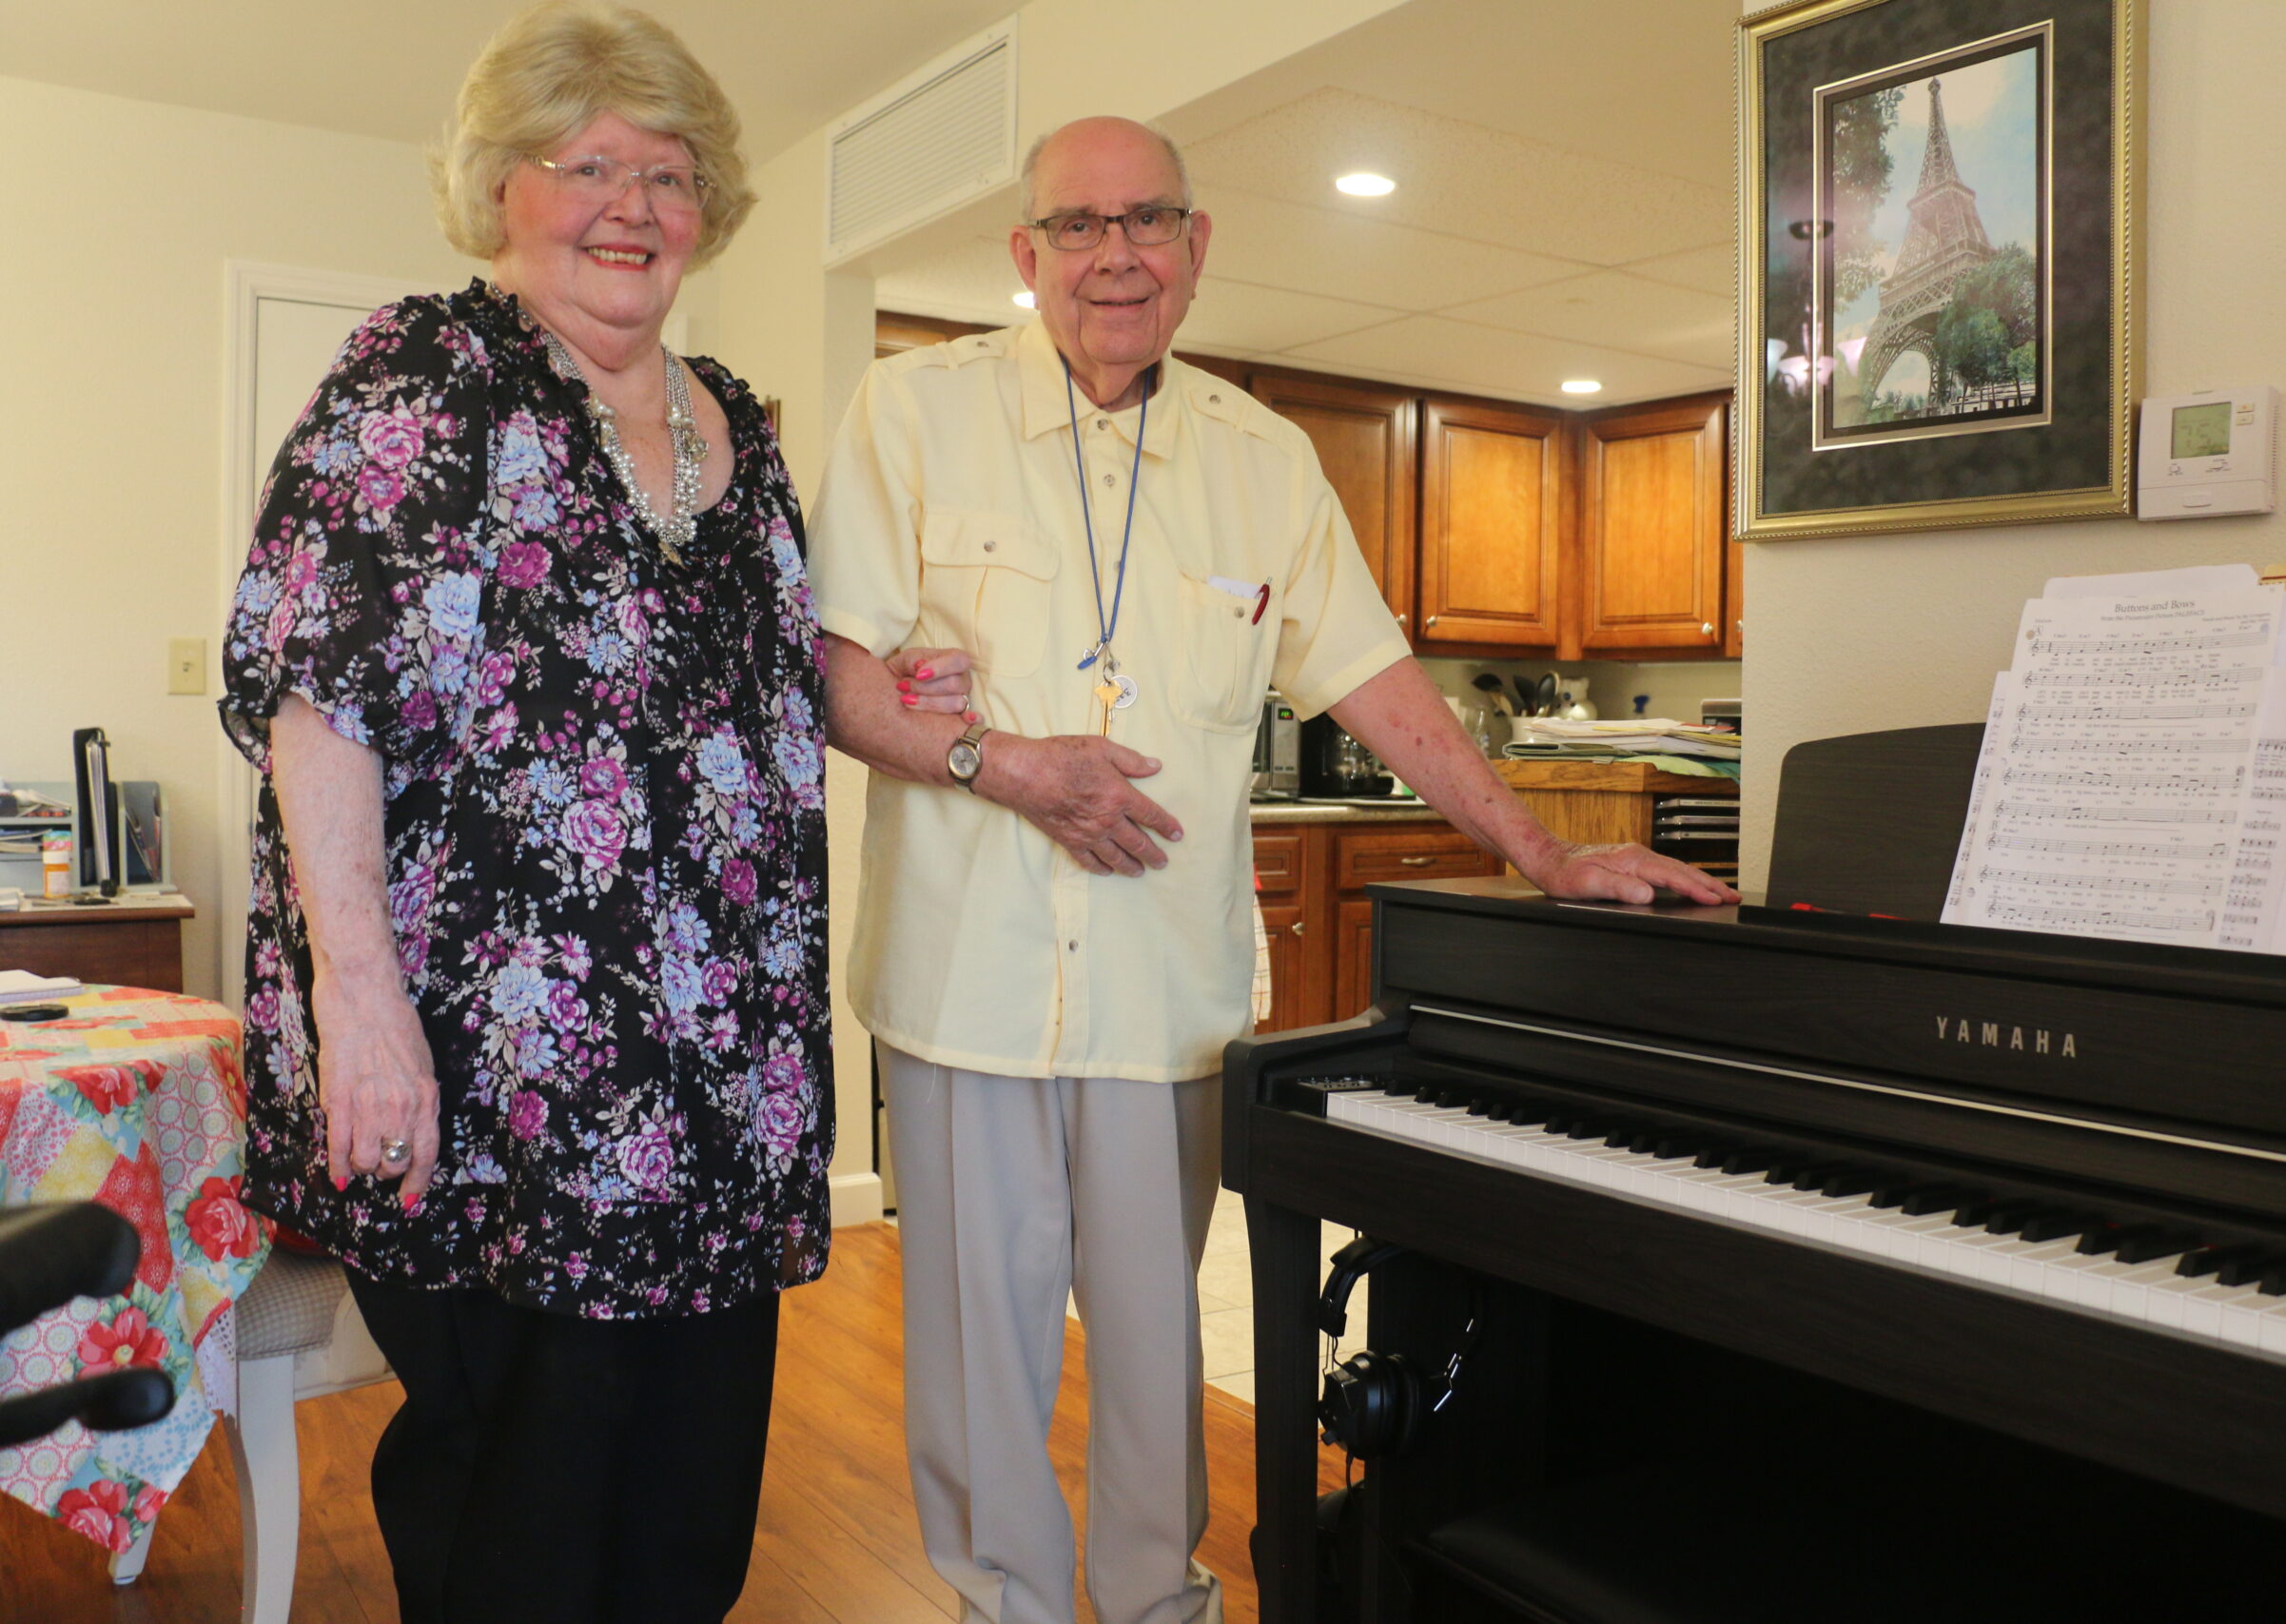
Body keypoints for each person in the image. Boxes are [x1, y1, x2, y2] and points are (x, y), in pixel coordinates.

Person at [809, 115, 1736, 1624]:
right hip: (965, 975)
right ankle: (1006, 1608)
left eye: (1148, 221)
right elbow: (834, 675)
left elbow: (1380, 683)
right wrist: (1007, 765)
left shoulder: (1265, 460)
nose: (1116, 254)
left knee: (1156, 1340)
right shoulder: (911, 414)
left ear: (1196, 244)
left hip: (1160, 990)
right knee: (980, 1354)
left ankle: (1158, 1605)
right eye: (1079, 226)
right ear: (1024, 255)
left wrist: (1546, 847)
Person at [218, 9, 962, 1619]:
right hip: (503, 1073)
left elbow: (770, 680)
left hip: (718, 1074)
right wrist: (361, 1002)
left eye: (672, 173)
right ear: (504, 191)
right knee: (523, 1508)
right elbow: (315, 691)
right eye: (591, 165)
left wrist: (919, 709)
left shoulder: (741, 431)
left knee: (688, 1502)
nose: (633, 204)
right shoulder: (426, 376)